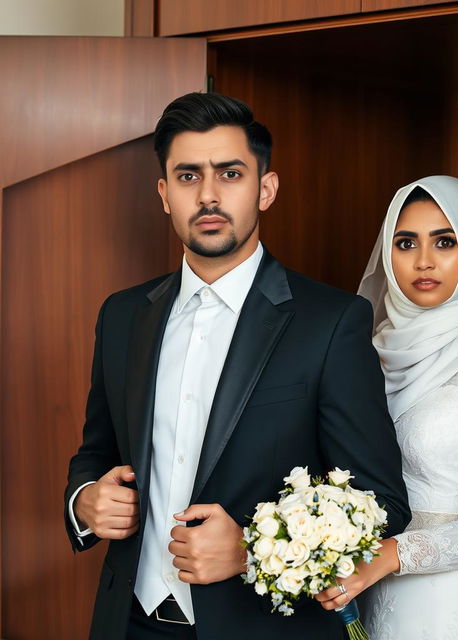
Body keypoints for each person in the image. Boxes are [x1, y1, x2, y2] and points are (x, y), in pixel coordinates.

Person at [64, 92, 410, 640]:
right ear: (163, 195)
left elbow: (382, 504)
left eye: (229, 173)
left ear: (265, 189)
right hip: (127, 624)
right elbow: (96, 453)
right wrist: (84, 500)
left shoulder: (331, 321)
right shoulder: (123, 315)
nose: (207, 195)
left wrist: (253, 550)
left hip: (260, 626)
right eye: (187, 176)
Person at [315, 176, 458, 640]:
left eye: (445, 241)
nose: (424, 261)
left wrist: (397, 555)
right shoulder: (367, 348)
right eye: (406, 243)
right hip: (367, 592)